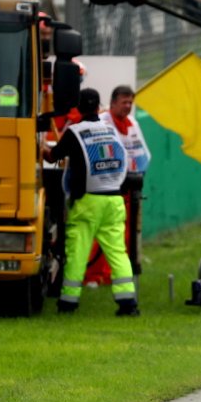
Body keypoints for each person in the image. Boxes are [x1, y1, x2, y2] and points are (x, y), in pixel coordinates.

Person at [41, 88, 140, 317]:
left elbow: (52, 157)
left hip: (87, 202)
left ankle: (68, 303)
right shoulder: (110, 130)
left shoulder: (75, 132)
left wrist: (41, 148)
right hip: (115, 199)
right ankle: (128, 304)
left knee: (77, 253)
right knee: (117, 252)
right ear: (98, 107)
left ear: (78, 108)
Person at [84, 84, 151, 286]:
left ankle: (114, 273)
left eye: (131, 102)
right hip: (105, 189)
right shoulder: (103, 123)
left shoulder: (132, 124)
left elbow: (142, 154)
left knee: (124, 233)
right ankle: (93, 275)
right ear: (112, 103)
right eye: (124, 102)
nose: (128, 106)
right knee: (102, 233)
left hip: (129, 189)